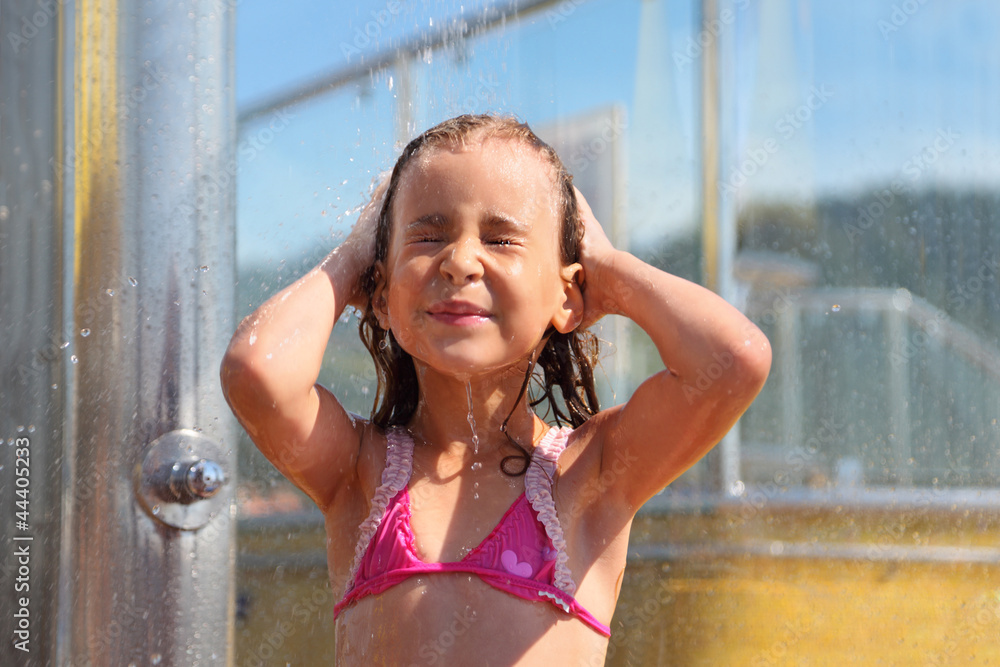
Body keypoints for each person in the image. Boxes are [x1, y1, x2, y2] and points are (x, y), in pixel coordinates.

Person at [220, 114, 771, 665]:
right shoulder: (358, 473)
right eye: (428, 236)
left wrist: (605, 265)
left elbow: (734, 359)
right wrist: (352, 257)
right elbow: (256, 371)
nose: (460, 262)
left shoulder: (586, 476)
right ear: (381, 294)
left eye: (501, 239)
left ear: (568, 296)